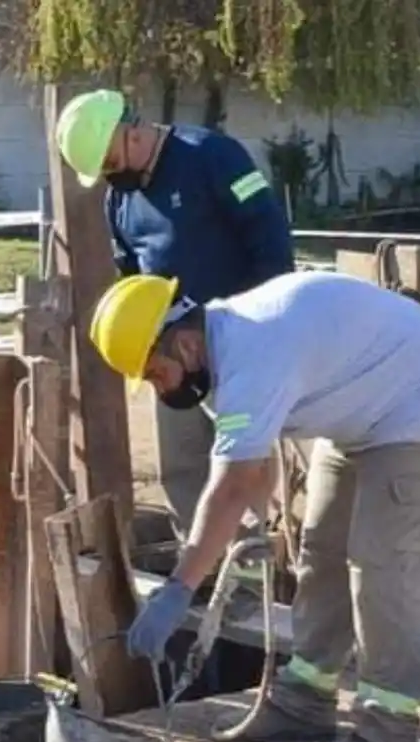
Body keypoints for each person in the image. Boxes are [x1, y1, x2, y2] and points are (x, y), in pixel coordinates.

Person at [87, 270, 420, 742]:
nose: (158, 389)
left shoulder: (253, 354)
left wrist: (179, 589)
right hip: (363, 410)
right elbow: (254, 456)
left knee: (385, 570)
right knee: (321, 553)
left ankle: (388, 731)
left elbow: (229, 485)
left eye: (155, 373)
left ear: (183, 344)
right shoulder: (216, 354)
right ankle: (305, 700)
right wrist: (257, 523)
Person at [54, 88, 294, 543]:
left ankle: (256, 563)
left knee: (247, 462)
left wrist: (274, 321)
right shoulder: (119, 203)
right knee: (184, 462)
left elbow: (268, 232)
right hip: (169, 353)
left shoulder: (211, 156)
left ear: (132, 131)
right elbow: (131, 278)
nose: (110, 175)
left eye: (109, 162)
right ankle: (200, 562)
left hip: (243, 343)